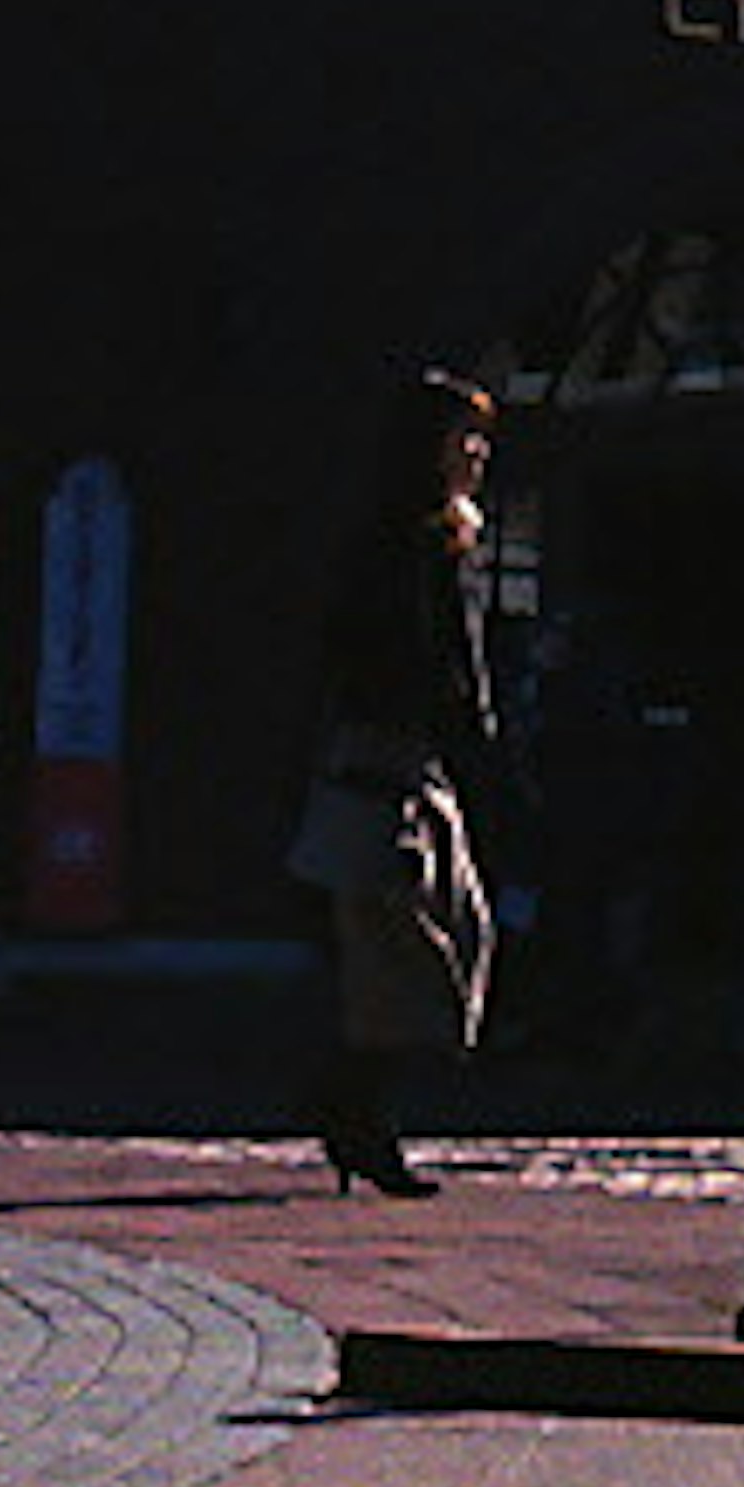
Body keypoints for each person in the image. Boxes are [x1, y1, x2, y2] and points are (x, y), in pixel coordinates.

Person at [291, 364, 502, 1196]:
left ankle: (352, 1106)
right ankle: (357, 1115)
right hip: (384, 765)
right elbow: (391, 656)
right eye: (466, 437)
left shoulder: (444, 540)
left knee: (457, 936)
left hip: (419, 766)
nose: (478, 453)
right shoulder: (401, 544)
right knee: (401, 950)